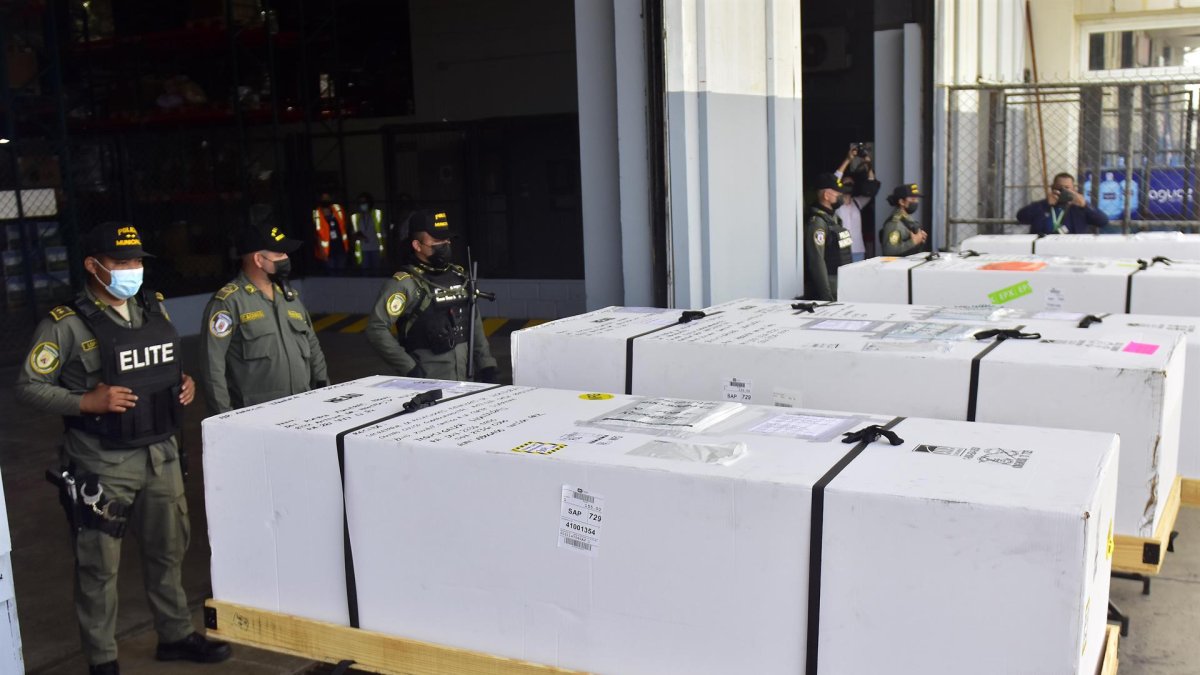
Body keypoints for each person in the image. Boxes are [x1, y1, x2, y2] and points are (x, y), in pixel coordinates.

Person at [15, 222, 231, 674]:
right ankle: (102, 658)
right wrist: (83, 401)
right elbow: (29, 386)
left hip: (160, 452)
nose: (132, 270)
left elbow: (163, 365)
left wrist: (183, 384)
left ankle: (174, 635)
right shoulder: (67, 324)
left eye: (136, 262)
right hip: (102, 461)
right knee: (99, 566)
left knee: (168, 551)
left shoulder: (152, 309)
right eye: (121, 262)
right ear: (94, 266)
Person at [200, 220, 329, 413]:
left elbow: (313, 349)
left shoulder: (290, 297)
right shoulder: (229, 302)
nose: (286, 258)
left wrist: (325, 397)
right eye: (279, 254)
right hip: (258, 417)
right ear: (259, 260)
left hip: (304, 409)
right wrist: (223, 418)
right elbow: (212, 367)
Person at [365, 209, 499, 382]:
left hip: (466, 382)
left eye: (446, 239)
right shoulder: (405, 283)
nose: (445, 244)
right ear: (417, 245)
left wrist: (486, 364)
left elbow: (473, 322)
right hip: (427, 384)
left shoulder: (460, 277)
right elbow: (376, 329)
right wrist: (408, 367)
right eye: (437, 240)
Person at [802, 173, 853, 301]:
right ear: (826, 195)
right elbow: (817, 261)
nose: (841, 196)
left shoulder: (833, 218)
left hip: (840, 285)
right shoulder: (818, 223)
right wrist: (827, 295)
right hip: (830, 289)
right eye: (838, 193)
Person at [1016, 172, 1109, 235]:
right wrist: (1045, 205)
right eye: (1060, 188)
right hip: (1044, 246)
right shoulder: (1042, 205)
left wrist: (1085, 206)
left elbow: (1103, 221)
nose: (1063, 191)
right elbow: (1021, 217)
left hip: (1072, 247)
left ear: (1073, 189)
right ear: (1053, 188)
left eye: (1067, 188)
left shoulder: (1079, 209)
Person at [833, 144, 881, 260]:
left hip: (858, 250)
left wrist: (868, 165)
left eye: (851, 184)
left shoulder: (857, 203)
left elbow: (872, 188)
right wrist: (848, 160)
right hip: (841, 251)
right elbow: (833, 181)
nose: (848, 186)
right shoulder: (836, 203)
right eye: (846, 184)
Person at [880, 183, 929, 256]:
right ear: (901, 202)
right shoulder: (894, 224)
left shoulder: (908, 219)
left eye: (916, 199)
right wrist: (914, 241)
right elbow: (889, 250)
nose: (916, 202)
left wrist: (920, 238)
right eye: (913, 199)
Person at [350, 191, 386, 273]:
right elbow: (353, 234)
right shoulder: (356, 217)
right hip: (363, 249)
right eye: (361, 202)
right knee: (365, 273)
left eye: (365, 202)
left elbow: (383, 234)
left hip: (376, 248)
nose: (363, 204)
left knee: (377, 272)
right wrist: (358, 236)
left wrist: (385, 251)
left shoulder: (376, 214)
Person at [313, 192, 350, 271]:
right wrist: (322, 252)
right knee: (332, 276)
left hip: (341, 250)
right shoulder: (316, 214)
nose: (326, 200)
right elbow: (316, 235)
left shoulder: (338, 209)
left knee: (342, 273)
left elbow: (345, 223)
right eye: (324, 199)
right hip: (328, 252)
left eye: (327, 198)